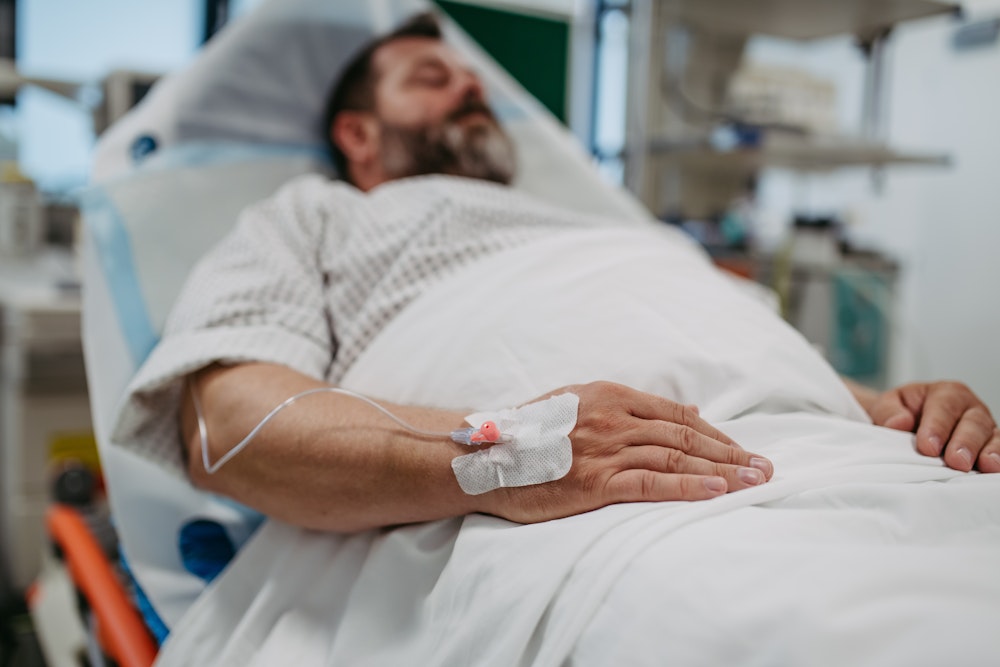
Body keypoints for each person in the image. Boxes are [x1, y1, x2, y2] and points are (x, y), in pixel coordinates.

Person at [131, 12, 997, 538]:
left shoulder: (607, 224)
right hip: (623, 514)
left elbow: (718, 335)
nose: (469, 92)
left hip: (841, 451)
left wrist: (894, 405)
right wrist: (517, 449)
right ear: (358, 136)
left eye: (474, 82)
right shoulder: (314, 214)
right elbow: (227, 427)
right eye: (433, 80)